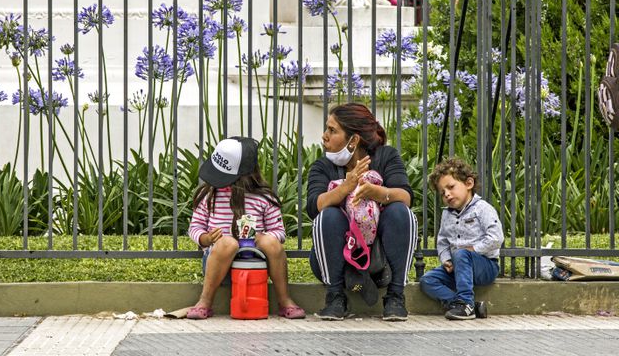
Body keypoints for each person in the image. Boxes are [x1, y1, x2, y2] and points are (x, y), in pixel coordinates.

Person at [307, 103, 418, 321]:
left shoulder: (386, 156)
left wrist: (378, 192)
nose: (324, 136)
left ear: (354, 140)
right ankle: (335, 296)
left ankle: (396, 296)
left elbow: (406, 196)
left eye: (332, 130)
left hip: (378, 261)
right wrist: (346, 188)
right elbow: (314, 206)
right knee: (327, 215)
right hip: (336, 259)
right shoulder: (322, 167)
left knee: (400, 211)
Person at [186, 136, 306, 320]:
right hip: (218, 268)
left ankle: (285, 301)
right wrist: (206, 239)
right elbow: (195, 227)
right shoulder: (209, 196)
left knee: (272, 242)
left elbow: (279, 232)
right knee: (227, 244)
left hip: (255, 267)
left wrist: (259, 238)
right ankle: (205, 301)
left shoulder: (263, 198)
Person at [419, 157, 503, 320]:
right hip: (458, 267)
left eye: (451, 187)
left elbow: (496, 237)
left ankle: (465, 303)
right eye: (443, 193)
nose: (447, 194)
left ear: (469, 183)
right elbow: (442, 240)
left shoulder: (482, 208)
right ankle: (465, 305)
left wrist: (473, 250)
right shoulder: (446, 214)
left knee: (461, 253)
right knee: (427, 281)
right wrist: (446, 260)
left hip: (484, 266)